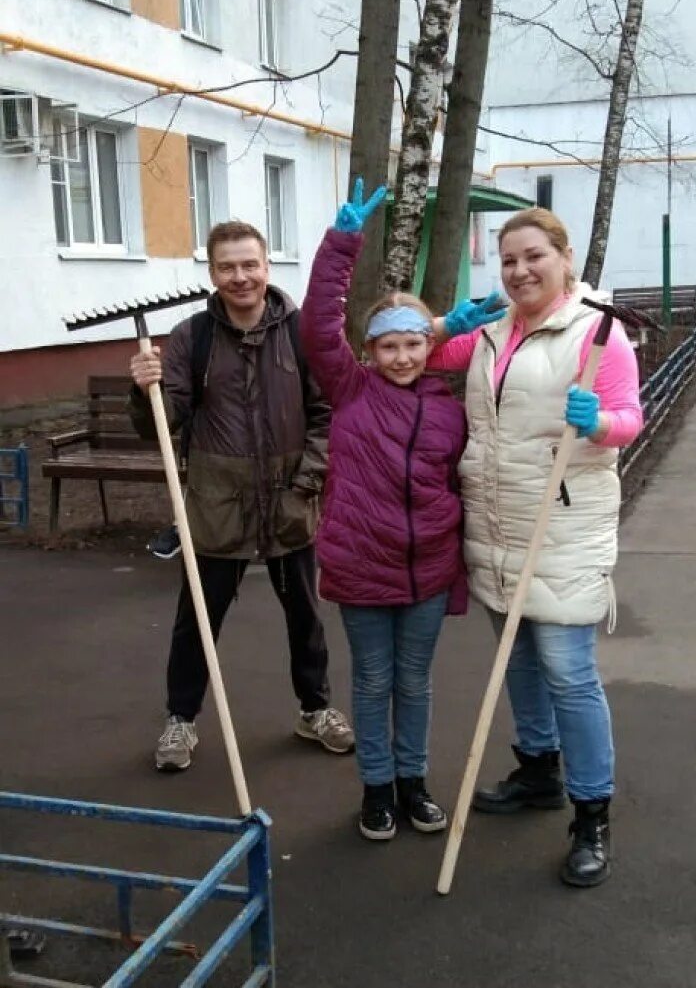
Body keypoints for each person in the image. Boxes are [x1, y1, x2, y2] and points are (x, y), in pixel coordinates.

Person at [425, 208, 642, 889]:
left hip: (563, 523)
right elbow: (417, 358)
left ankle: (592, 815)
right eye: (507, 259)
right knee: (515, 654)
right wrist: (444, 325)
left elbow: (628, 419)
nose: (519, 270)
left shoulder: (597, 332)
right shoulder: (491, 333)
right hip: (496, 523)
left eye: (532, 256)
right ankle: (538, 770)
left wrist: (599, 421)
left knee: (567, 670)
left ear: (564, 256)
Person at [129, 221, 353, 772]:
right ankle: (181, 720)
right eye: (227, 266)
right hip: (218, 505)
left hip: (288, 500)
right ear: (212, 272)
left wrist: (307, 482)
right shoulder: (192, 337)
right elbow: (165, 418)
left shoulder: (302, 333)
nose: (240, 276)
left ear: (267, 267)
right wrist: (146, 390)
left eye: (249, 264)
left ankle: (314, 709)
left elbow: (328, 414)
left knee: (305, 615)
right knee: (197, 622)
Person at [299, 182, 471, 842]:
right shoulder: (348, 390)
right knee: (372, 682)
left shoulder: (448, 410)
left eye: (412, 344)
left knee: (415, 683)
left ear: (428, 349)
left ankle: (414, 782)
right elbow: (318, 322)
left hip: (428, 568)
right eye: (388, 345)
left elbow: (461, 480)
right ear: (369, 351)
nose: (401, 356)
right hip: (362, 567)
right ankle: (375, 788)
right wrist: (341, 245)